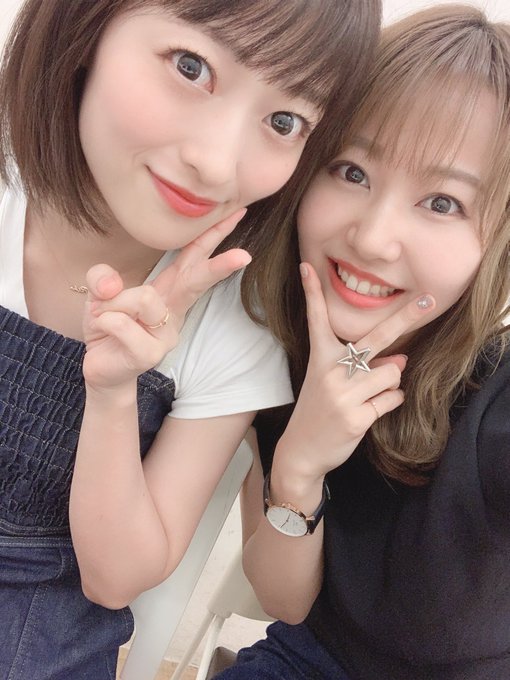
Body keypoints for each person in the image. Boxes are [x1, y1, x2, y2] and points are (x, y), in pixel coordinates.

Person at [0, 1, 382, 678]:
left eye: (284, 121)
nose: (214, 162)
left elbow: (115, 579)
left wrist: (113, 394)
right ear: (88, 25)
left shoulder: (234, 326)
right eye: (190, 66)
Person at [212, 5, 510, 680]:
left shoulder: (495, 393)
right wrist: (299, 466)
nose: (372, 238)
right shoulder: (273, 344)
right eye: (351, 171)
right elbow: (285, 602)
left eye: (442, 203)